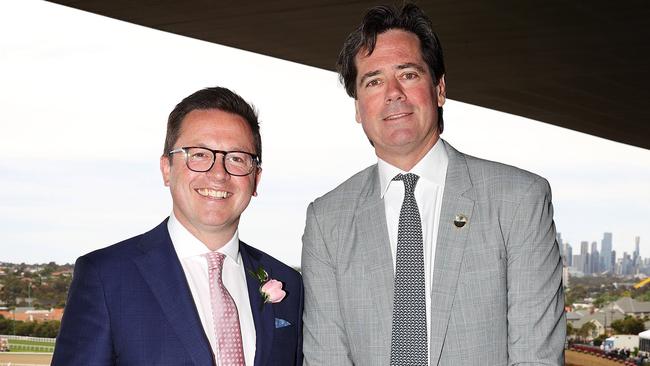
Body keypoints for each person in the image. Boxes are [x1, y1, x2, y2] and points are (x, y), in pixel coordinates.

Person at [301, 3, 564, 365]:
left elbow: (537, 357)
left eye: (408, 74)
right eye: (373, 81)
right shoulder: (327, 220)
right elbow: (326, 358)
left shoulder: (519, 200)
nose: (393, 92)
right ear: (358, 108)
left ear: (439, 89)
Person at [53, 87, 303, 365]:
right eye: (198, 154)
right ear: (166, 169)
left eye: (236, 158)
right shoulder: (106, 278)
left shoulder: (289, 284)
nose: (218, 174)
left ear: (255, 179)